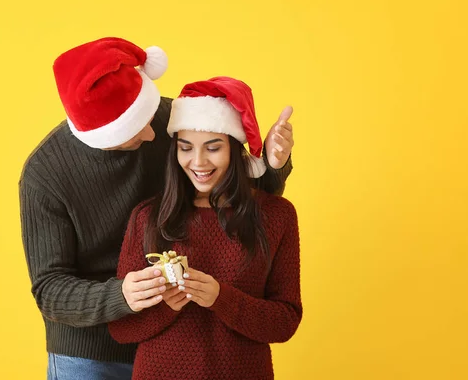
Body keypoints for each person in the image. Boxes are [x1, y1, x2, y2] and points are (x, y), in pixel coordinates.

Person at [19, 37, 295, 380]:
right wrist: (121, 294)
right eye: (137, 128)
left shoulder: (173, 121)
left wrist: (272, 163)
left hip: (178, 344)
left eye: (150, 115)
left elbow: (244, 196)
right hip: (89, 351)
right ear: (106, 135)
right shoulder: (45, 174)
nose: (153, 134)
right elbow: (49, 289)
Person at [108, 76, 302, 380]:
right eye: (185, 148)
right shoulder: (147, 217)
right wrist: (167, 307)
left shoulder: (276, 215)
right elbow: (121, 329)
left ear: (236, 149)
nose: (197, 161)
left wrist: (221, 298)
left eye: (213, 148)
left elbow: (285, 321)